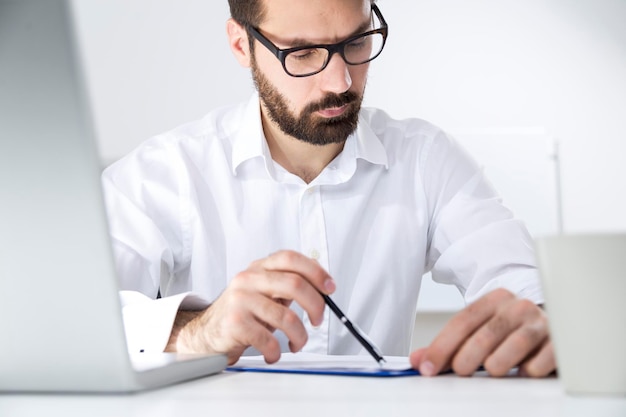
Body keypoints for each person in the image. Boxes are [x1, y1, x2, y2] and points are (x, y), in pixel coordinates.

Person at [102, 0, 555, 378]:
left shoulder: (425, 159)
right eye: (302, 53)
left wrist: (536, 318)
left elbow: (519, 281)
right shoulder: (167, 172)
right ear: (242, 44)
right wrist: (199, 330)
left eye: (356, 41)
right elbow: (72, 322)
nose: (340, 82)